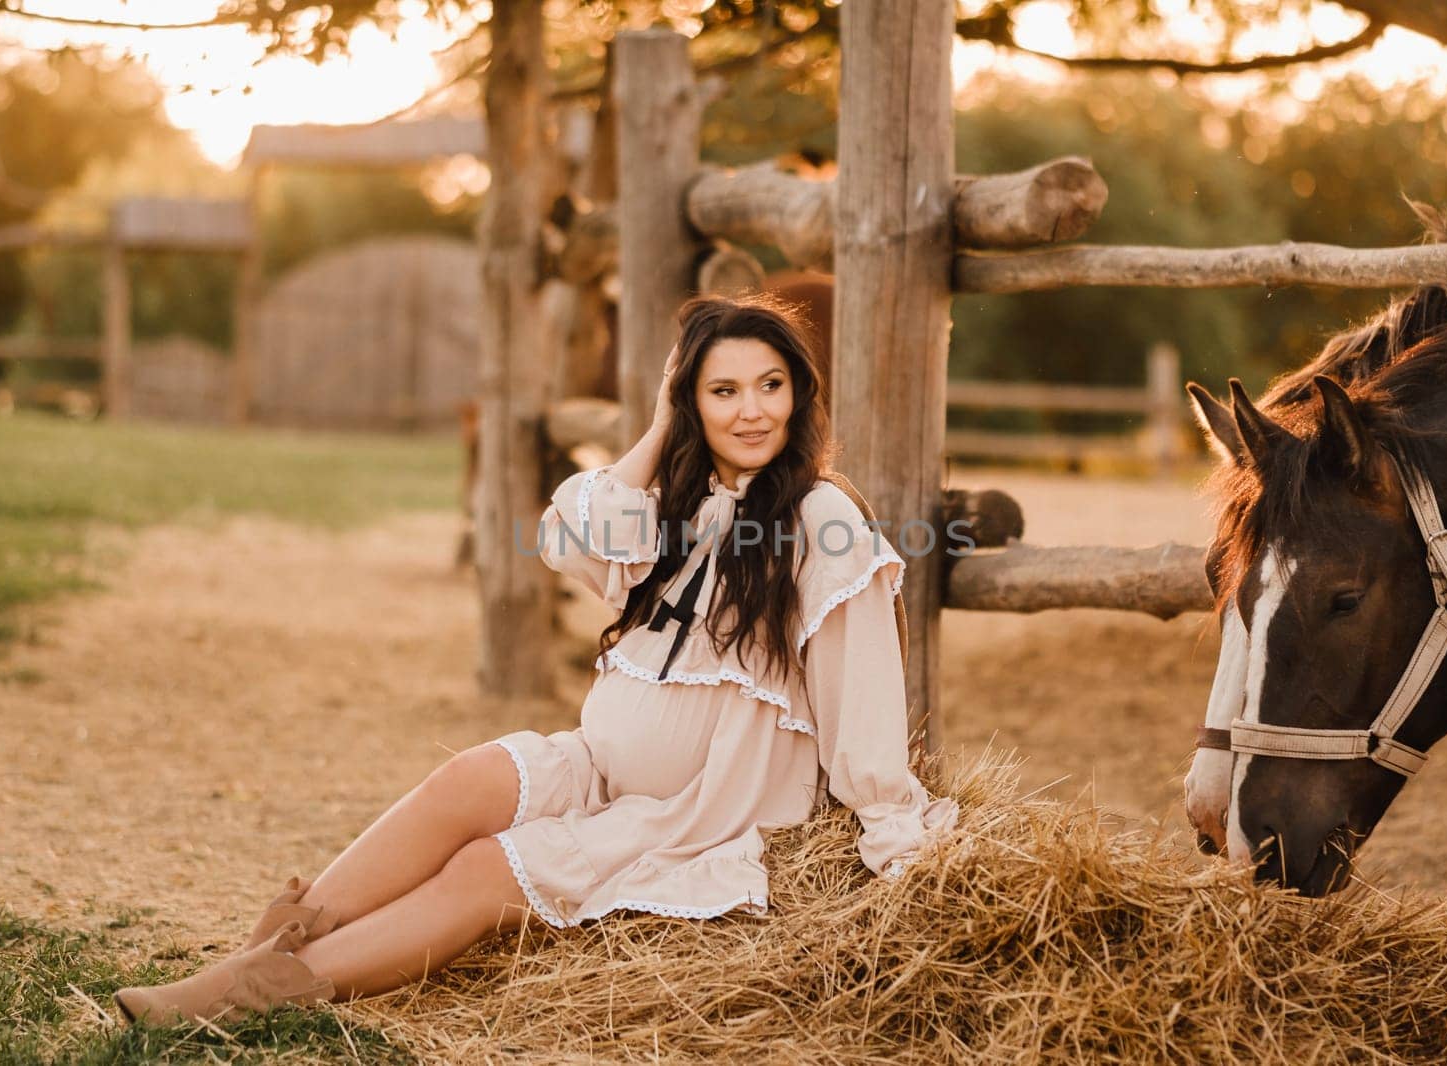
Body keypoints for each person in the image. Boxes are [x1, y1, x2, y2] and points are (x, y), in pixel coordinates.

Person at [114, 294, 958, 1025]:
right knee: (469, 778)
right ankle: (264, 949)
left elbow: (865, 691)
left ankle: (259, 991)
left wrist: (891, 830)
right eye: (722, 391)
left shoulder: (821, 517)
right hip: (601, 767)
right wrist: (662, 424)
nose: (751, 411)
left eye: (770, 386)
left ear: (799, 395)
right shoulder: (686, 505)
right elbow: (571, 535)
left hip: (706, 809)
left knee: (488, 870)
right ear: (692, 403)